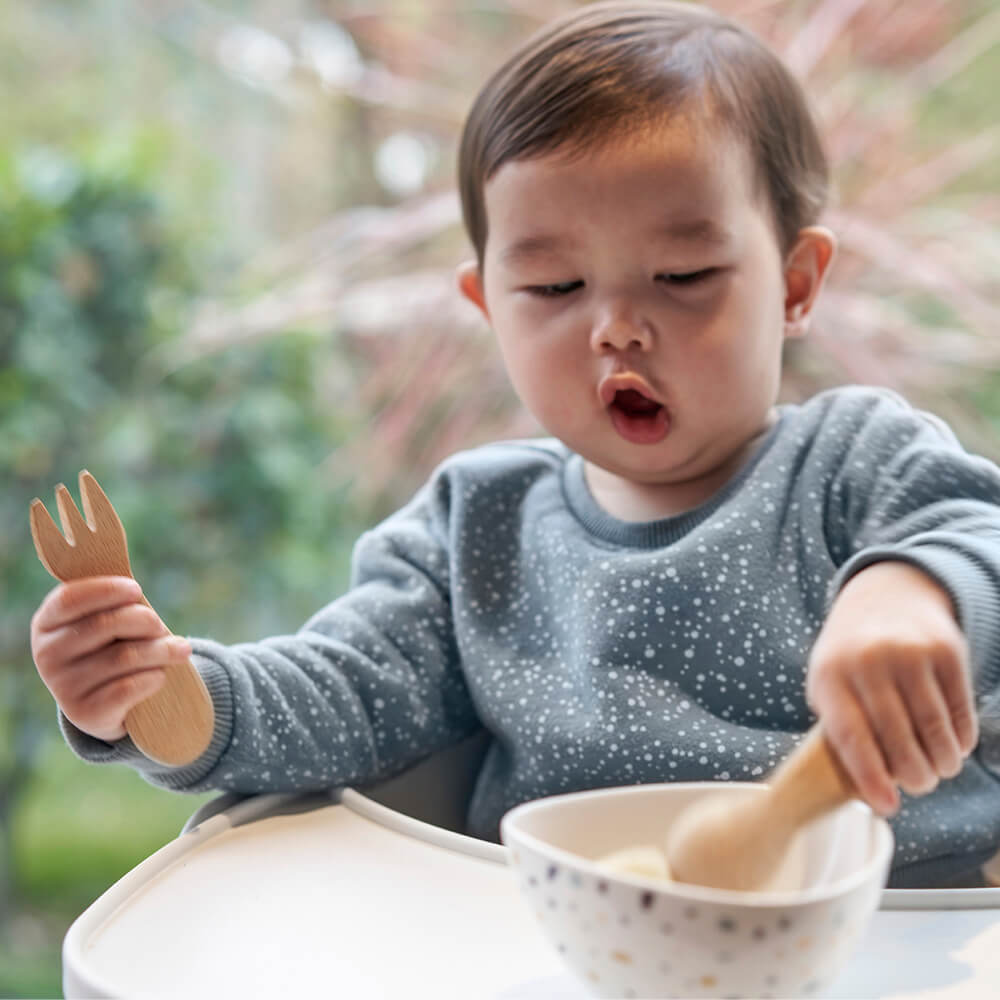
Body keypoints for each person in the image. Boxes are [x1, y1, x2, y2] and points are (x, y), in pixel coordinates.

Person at [29, 0, 1000, 888]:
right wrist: (162, 692)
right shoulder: (477, 525)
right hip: (552, 944)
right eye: (553, 289)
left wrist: (907, 597)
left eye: (683, 272)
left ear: (793, 283)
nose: (616, 325)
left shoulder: (851, 459)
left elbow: (970, 531)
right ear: (487, 304)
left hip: (893, 934)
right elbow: (348, 695)